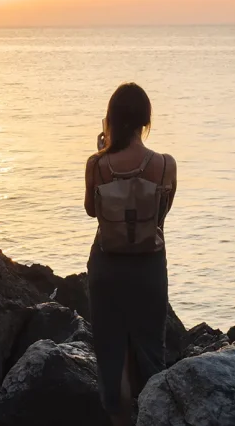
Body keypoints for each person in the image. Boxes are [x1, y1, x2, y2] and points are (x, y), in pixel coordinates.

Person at [84, 83, 177, 426]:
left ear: (112, 120)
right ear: (145, 122)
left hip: (107, 265)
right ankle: (156, 416)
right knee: (152, 350)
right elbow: (161, 216)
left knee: (110, 351)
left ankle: (119, 420)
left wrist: (103, 152)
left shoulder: (97, 165)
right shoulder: (166, 166)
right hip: (149, 267)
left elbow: (91, 210)